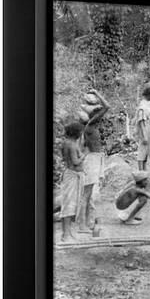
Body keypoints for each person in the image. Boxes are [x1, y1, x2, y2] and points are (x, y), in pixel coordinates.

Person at [78, 89, 110, 233]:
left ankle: (87, 222)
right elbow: (107, 106)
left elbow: (83, 145)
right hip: (92, 160)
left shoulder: (88, 126)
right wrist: (97, 93)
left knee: (89, 194)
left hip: (93, 158)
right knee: (87, 194)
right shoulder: (91, 124)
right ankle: (82, 225)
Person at [58, 122, 86, 242]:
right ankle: (66, 235)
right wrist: (83, 156)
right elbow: (75, 162)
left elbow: (66, 159)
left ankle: (67, 233)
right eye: (80, 132)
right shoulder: (72, 145)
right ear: (77, 133)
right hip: (72, 175)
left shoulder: (66, 143)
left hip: (69, 174)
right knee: (69, 205)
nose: (81, 134)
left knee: (69, 204)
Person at [134, 87, 150, 171]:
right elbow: (141, 121)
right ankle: (141, 171)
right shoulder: (142, 106)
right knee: (142, 150)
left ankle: (144, 169)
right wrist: (144, 135)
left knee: (147, 150)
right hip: (144, 128)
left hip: (149, 128)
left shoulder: (149, 105)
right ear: (147, 95)